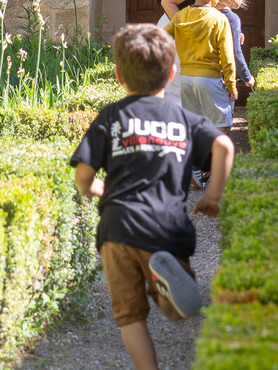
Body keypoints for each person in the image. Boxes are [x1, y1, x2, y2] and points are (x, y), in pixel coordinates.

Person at [71, 23, 234, 370]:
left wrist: (94, 190)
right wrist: (213, 195)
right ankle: (165, 284)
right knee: (175, 309)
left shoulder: (111, 117)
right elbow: (223, 145)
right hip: (166, 227)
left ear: (119, 76)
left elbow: (84, 175)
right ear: (172, 73)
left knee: (129, 316)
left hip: (117, 229)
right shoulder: (181, 118)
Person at [162, 0, 237, 135]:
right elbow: (227, 56)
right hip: (210, 78)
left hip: (186, 79)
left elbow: (161, 36)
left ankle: (195, 156)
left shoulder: (180, 16)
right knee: (223, 122)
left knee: (193, 124)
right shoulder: (219, 19)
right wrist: (231, 85)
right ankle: (211, 155)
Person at [216, 0, 255, 91]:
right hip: (220, 79)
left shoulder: (208, 13)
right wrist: (247, 77)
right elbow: (234, 51)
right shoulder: (232, 18)